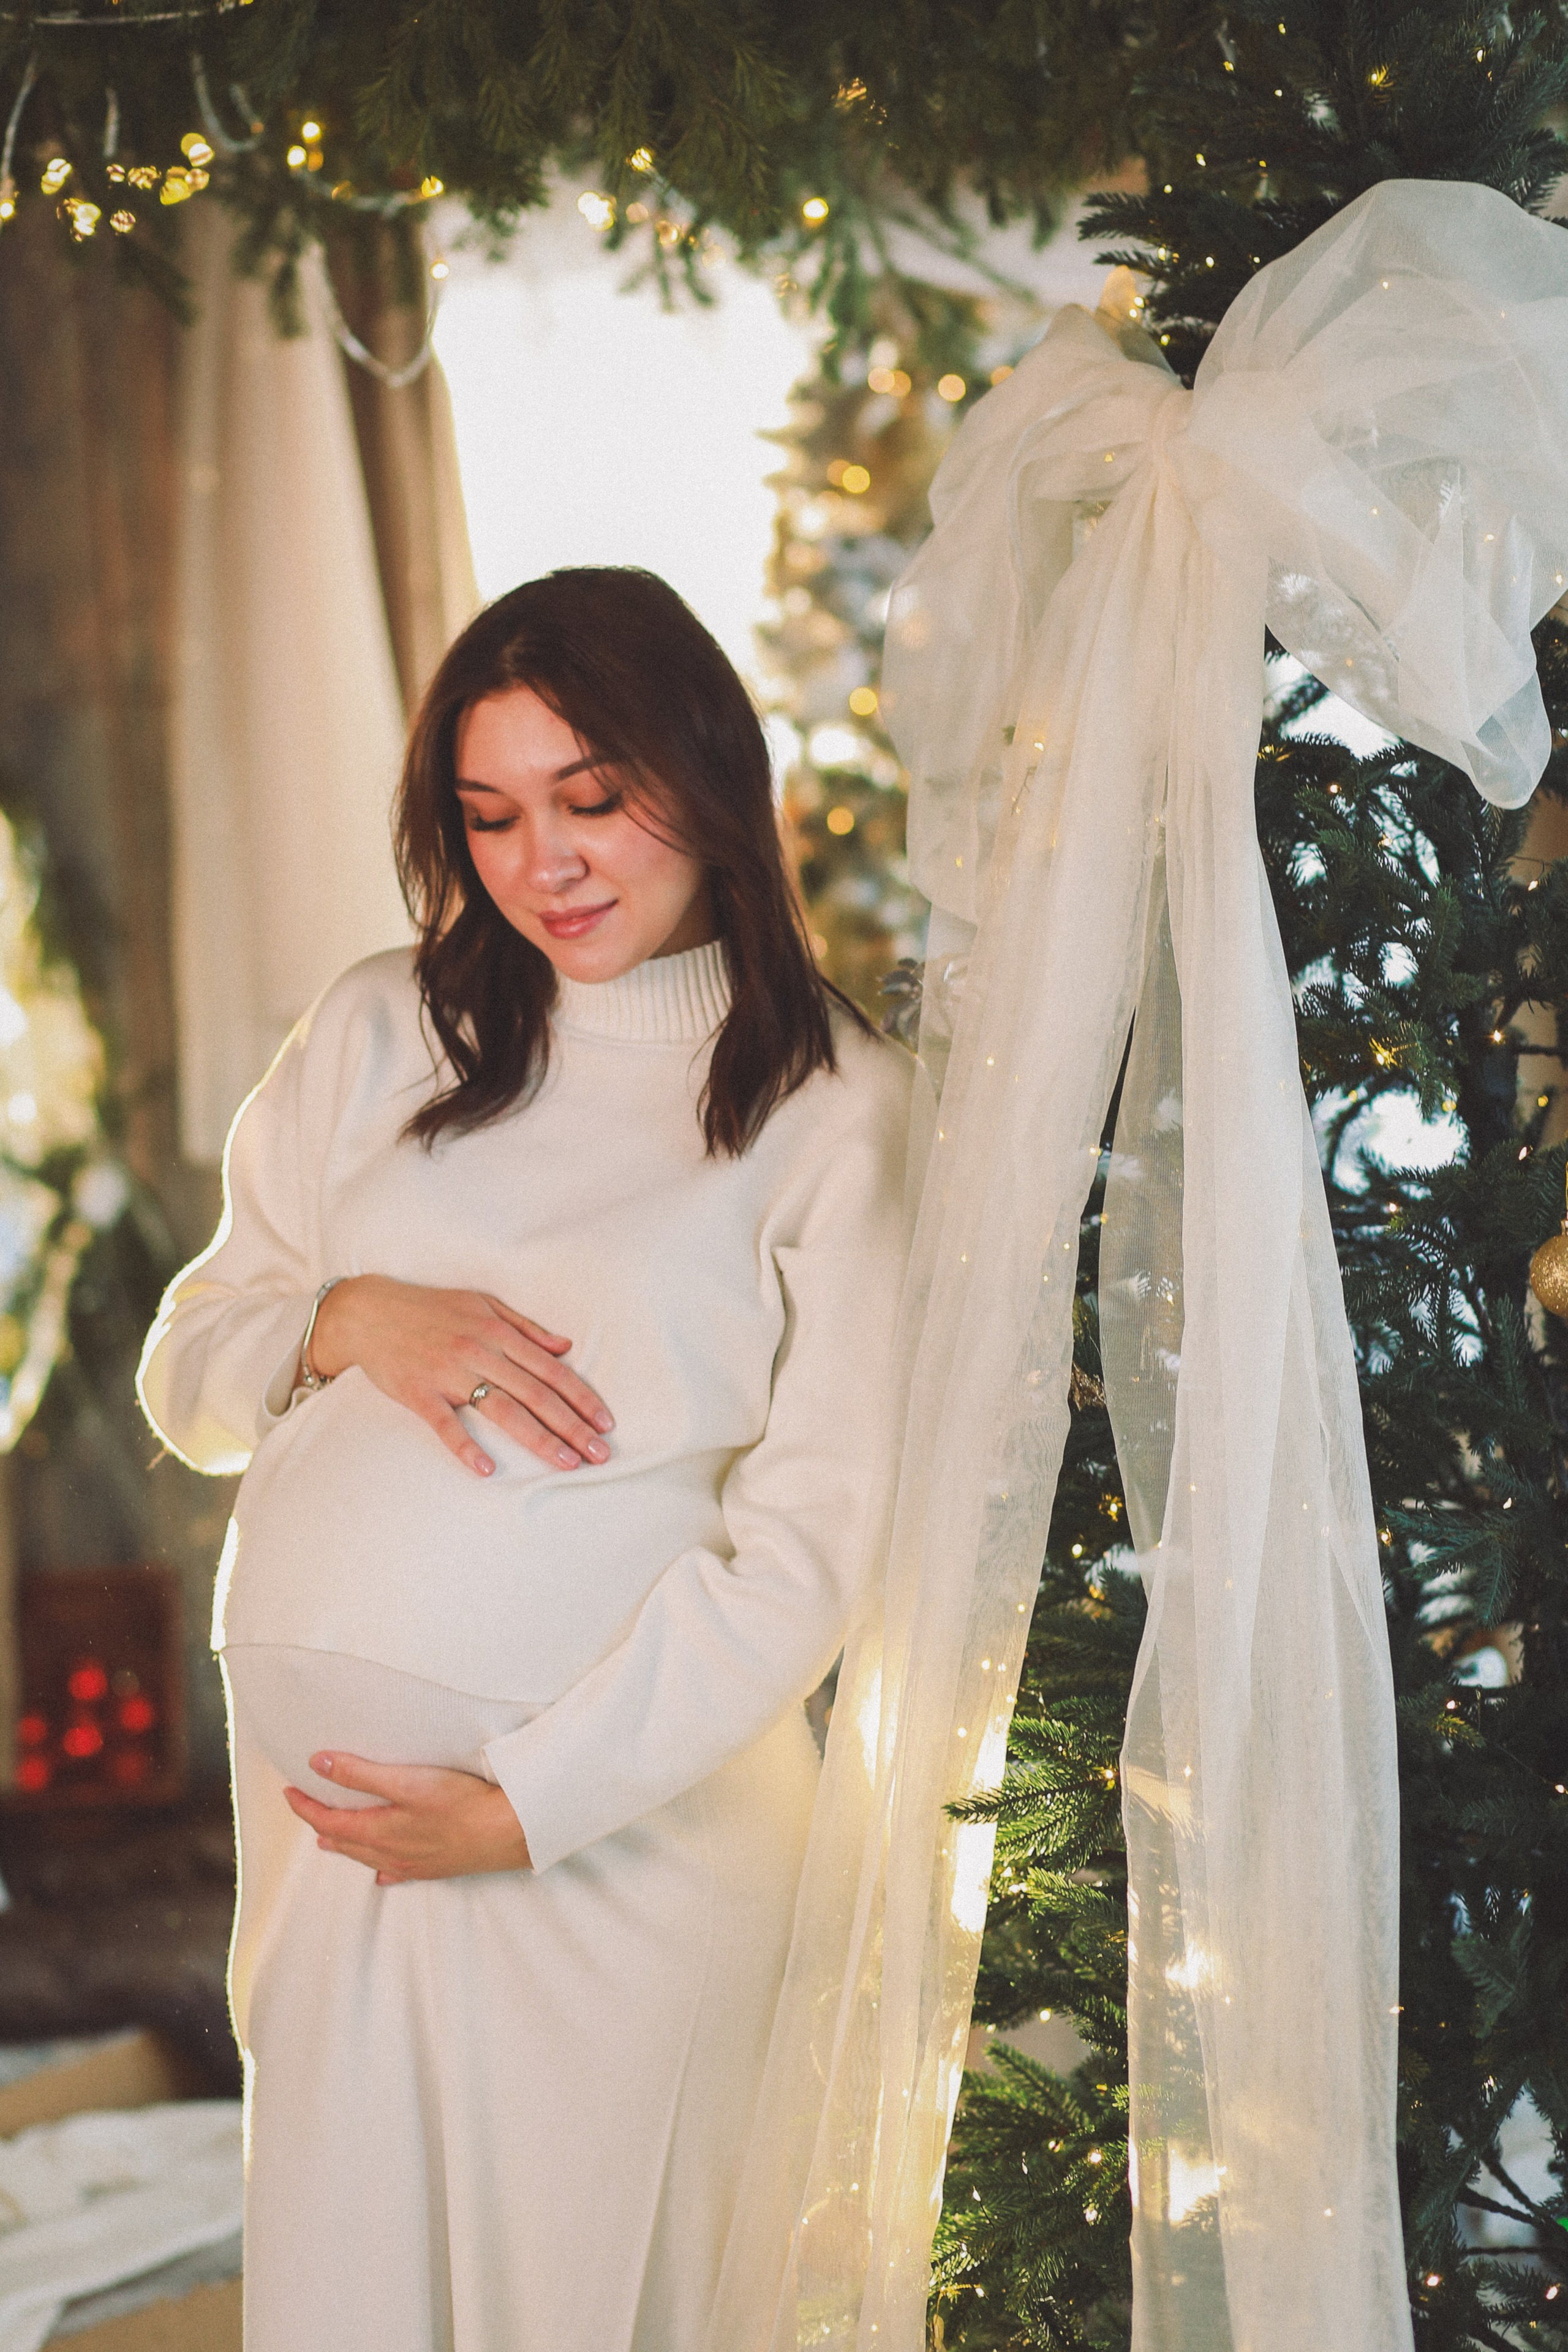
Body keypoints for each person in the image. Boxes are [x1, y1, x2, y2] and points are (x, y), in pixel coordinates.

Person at [136, 567, 913, 2352]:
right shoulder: (375, 1030)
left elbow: (811, 1549)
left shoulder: (832, 1108)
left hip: (622, 1847)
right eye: (489, 816)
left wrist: (526, 1804)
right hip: (343, 1852)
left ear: (709, 783)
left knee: (594, 2300)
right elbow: (192, 1371)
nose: (543, 863)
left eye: (592, 799)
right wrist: (346, 1319)